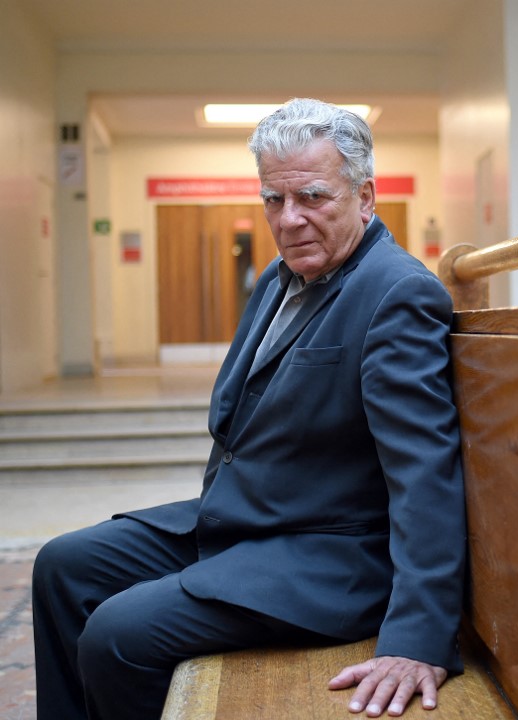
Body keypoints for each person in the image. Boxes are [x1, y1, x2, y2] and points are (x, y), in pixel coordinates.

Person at [32, 98, 467, 720]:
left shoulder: (397, 293)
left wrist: (417, 640)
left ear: (365, 197)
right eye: (273, 199)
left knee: (117, 634)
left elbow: (425, 474)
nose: (290, 219)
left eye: (312, 197)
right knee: (62, 566)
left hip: (326, 557)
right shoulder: (277, 278)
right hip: (245, 521)